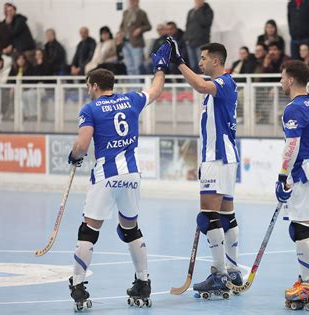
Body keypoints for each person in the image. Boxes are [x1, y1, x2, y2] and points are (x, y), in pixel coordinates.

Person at [66, 43, 171, 311]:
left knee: (89, 229)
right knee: (130, 228)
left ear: (93, 86)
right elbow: (157, 90)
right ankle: (143, 282)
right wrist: (160, 67)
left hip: (105, 175)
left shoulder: (90, 109)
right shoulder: (132, 99)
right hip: (132, 174)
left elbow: (83, 143)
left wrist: (75, 155)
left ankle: (78, 286)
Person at [167, 37, 242, 295]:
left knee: (207, 217)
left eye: (203, 58)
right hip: (223, 157)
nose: (200, 63)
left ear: (216, 61)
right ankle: (232, 270)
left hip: (218, 156)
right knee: (225, 216)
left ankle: (220, 274)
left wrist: (178, 63)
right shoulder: (221, 85)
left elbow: (199, 85)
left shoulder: (222, 82)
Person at [275, 60, 309, 311]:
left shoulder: (293, 108)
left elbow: (292, 146)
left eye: (281, 77)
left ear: (290, 80)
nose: (280, 81)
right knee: (307, 227)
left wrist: (281, 176)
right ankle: (307, 280)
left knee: (300, 230)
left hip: (304, 173)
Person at [118, 0, 152, 75]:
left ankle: (139, 85)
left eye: (133, 1)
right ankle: (132, 86)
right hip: (125, 43)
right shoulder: (125, 12)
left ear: (137, 2)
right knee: (129, 67)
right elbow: (122, 26)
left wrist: (140, 29)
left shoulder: (142, 13)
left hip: (136, 43)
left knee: (138, 66)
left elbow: (149, 26)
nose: (131, 3)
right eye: (130, 1)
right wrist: (121, 34)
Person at [184, 0, 214, 73]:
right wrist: (186, 38)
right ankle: (195, 81)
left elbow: (205, 22)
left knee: (202, 63)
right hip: (190, 41)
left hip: (201, 42)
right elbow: (188, 25)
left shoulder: (207, 11)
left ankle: (204, 81)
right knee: (193, 65)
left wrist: (199, 10)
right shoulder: (191, 11)